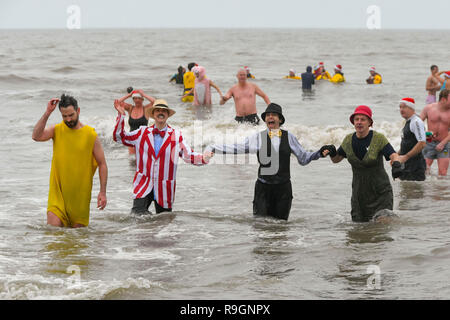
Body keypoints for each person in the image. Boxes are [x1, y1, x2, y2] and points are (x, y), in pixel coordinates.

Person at [207, 103, 333, 220]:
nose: (270, 117)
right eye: (267, 115)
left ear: (280, 119)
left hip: (283, 190)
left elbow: (303, 158)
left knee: (281, 227)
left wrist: (319, 153)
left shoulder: (289, 137)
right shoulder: (258, 137)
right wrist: (213, 148)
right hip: (263, 189)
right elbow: (236, 147)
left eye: (273, 115)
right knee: (261, 226)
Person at [113, 98, 212, 214]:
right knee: (137, 218)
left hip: (164, 188)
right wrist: (121, 115)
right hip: (143, 184)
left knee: (164, 223)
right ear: (153, 114)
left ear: (167, 115)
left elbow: (188, 155)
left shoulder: (176, 135)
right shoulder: (141, 132)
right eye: (158, 110)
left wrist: (204, 158)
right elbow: (119, 137)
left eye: (164, 111)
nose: (161, 113)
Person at [32, 94, 108, 227]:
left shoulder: (90, 135)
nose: (68, 119)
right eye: (64, 116)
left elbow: (102, 164)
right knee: (54, 235)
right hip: (58, 194)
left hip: (80, 197)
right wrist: (47, 113)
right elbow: (36, 136)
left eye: (71, 115)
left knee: (77, 241)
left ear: (78, 111)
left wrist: (102, 192)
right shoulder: (57, 130)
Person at [328, 105, 402, 222]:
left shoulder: (378, 139)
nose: (359, 122)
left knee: (380, 230)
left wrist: (397, 165)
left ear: (369, 123)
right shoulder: (348, 140)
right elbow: (336, 159)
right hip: (359, 196)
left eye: (363, 119)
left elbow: (394, 155)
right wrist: (332, 152)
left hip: (380, 193)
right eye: (356, 119)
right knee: (359, 232)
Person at [114, 88, 156, 154]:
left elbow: (155, 102)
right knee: (132, 160)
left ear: (142, 99)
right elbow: (117, 103)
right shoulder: (130, 108)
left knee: (142, 160)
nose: (137, 100)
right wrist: (129, 95)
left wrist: (143, 94)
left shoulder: (146, 109)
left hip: (143, 139)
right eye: (135, 98)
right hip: (131, 138)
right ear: (133, 99)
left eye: (139, 98)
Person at [419, 89, 450, 176]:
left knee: (443, 173)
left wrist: (443, 143)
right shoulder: (428, 108)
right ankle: (425, 189)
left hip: (445, 144)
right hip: (429, 143)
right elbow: (418, 125)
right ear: (443, 99)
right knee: (424, 170)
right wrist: (425, 134)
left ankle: (440, 189)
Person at [397, 97, 426, 181]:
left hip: (415, 166)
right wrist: (397, 156)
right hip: (407, 164)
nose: (401, 110)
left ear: (411, 108)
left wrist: (406, 157)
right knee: (406, 191)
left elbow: (422, 143)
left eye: (404, 107)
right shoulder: (408, 121)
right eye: (400, 107)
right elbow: (407, 142)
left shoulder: (416, 121)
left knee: (414, 192)